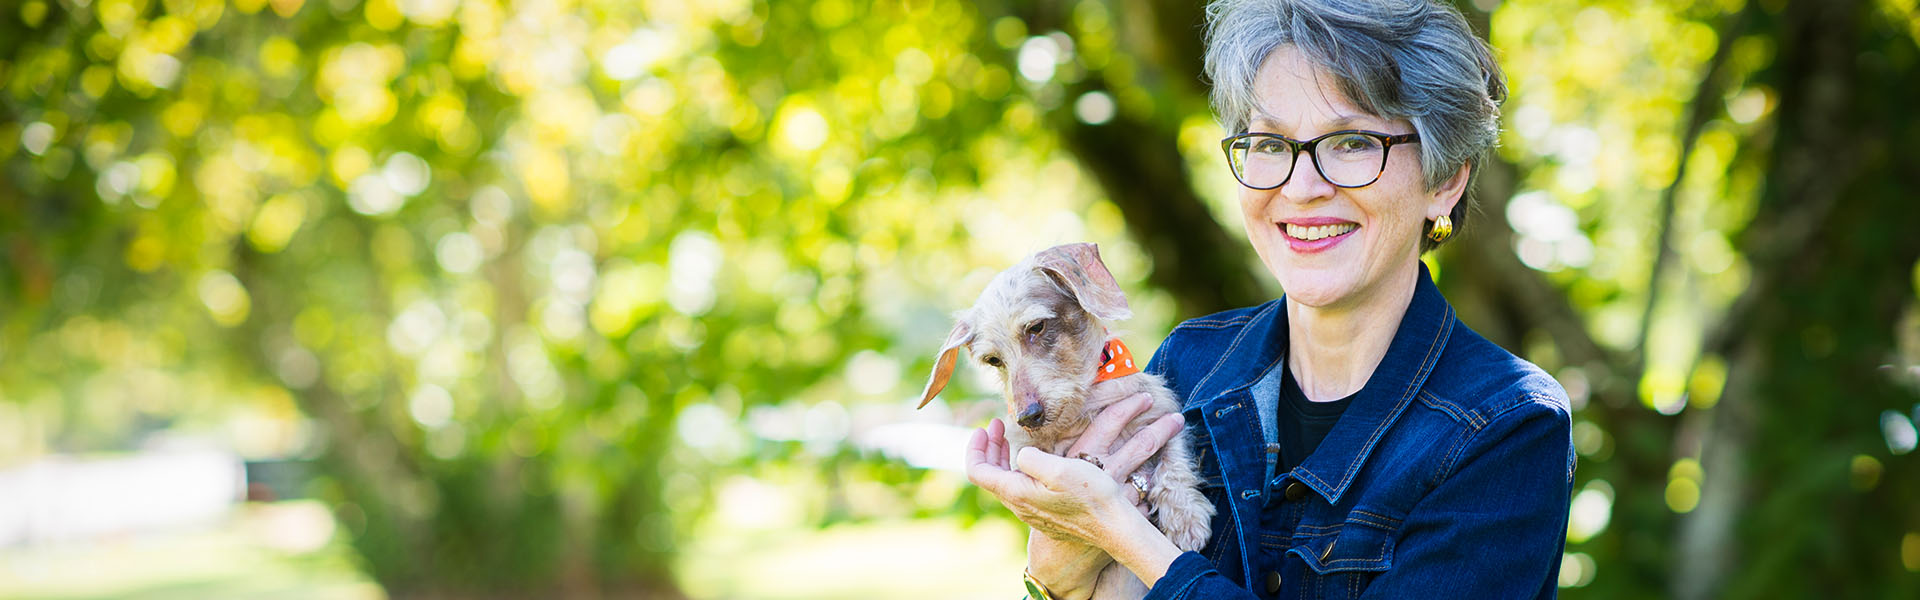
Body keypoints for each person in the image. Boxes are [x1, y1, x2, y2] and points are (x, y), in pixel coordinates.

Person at [963, 0, 1575, 598]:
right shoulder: (1189, 364)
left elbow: (1127, 548)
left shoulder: (1507, 427)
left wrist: (1129, 540)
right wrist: (1055, 572)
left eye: (1353, 142)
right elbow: (1073, 578)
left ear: (1445, 179)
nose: (1302, 187)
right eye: (1271, 144)